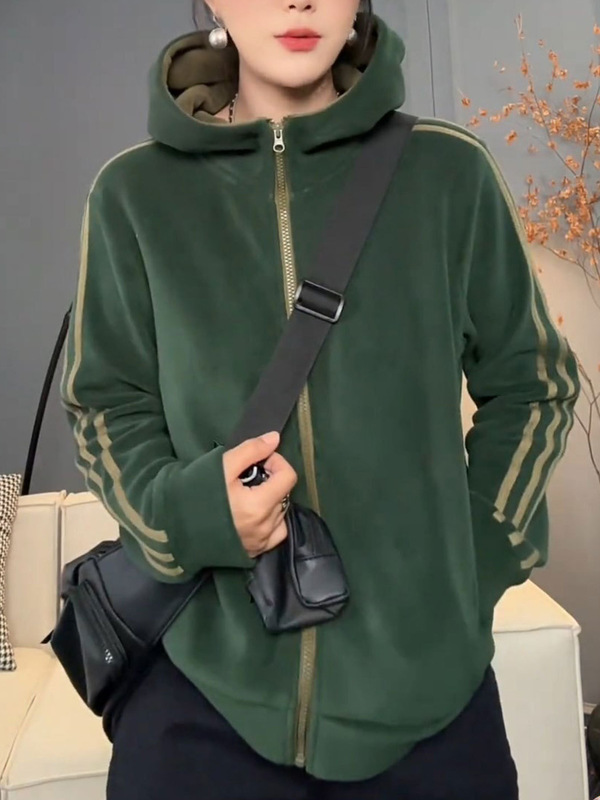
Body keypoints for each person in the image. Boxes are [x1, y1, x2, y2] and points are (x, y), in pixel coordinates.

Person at [59, 1, 581, 798]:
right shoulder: (133, 194)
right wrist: (192, 516)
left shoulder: (449, 174)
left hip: (430, 705)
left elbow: (534, 383)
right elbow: (105, 406)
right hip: (204, 702)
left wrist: (469, 563)